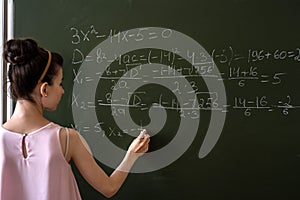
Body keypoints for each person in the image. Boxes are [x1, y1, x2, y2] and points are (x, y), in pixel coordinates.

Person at [0, 38, 150, 200]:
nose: (62, 91)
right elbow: (109, 187)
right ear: (44, 89)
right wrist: (131, 155)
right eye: (60, 83)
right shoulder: (66, 138)